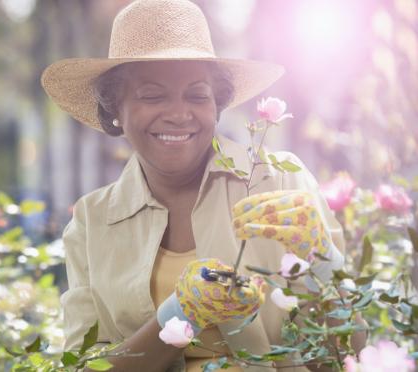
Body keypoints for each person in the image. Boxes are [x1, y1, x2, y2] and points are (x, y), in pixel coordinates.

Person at [41, 0, 348, 371]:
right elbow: (84, 366)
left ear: (217, 106)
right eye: (152, 96)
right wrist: (182, 314)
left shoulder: (280, 183)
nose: (179, 113)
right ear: (115, 111)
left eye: (198, 95)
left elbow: (347, 352)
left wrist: (323, 264)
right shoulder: (93, 221)